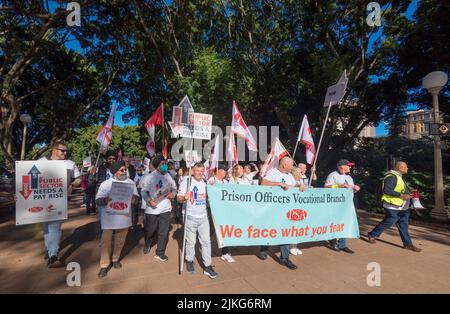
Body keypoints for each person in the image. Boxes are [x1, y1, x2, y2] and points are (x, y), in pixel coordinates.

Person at [40, 142, 81, 267]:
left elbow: (78, 179)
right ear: (54, 150)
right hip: (41, 200)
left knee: (54, 225)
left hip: (60, 199)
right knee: (46, 225)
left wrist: (71, 185)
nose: (65, 153)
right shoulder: (41, 162)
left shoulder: (70, 164)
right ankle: (49, 249)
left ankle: (53, 254)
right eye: (62, 151)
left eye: (66, 151)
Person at [95, 161, 138, 277]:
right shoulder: (105, 184)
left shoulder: (131, 183)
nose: (124, 172)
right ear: (115, 172)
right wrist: (105, 200)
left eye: (125, 170)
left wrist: (134, 200)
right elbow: (97, 200)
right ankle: (104, 265)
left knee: (120, 241)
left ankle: (115, 259)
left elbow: (136, 199)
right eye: (122, 170)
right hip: (108, 219)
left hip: (124, 218)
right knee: (105, 242)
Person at [367, 161, 422, 252]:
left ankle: (408, 244)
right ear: (400, 168)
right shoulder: (391, 177)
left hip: (402, 206)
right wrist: (401, 195)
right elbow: (387, 190)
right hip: (392, 206)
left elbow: (399, 189)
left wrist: (409, 192)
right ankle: (372, 234)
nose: (407, 168)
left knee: (403, 225)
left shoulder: (399, 177)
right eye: (406, 167)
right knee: (389, 221)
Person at [177, 162, 219, 279]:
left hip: (203, 216)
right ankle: (189, 260)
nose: (200, 173)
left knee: (206, 242)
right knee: (191, 242)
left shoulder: (206, 182)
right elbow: (179, 198)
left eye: (202, 171)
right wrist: (184, 198)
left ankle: (208, 266)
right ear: (193, 171)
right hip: (190, 216)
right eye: (197, 171)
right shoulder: (187, 181)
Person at [260, 156, 299, 270]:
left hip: (286, 210)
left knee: (285, 233)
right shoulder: (273, 172)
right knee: (269, 230)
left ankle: (284, 258)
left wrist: (299, 186)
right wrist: (278, 184)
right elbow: (263, 183)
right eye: (291, 164)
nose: (293, 167)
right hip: (273, 209)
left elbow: (293, 186)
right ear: (284, 165)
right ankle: (263, 248)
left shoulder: (290, 175)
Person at [140, 155, 177, 261]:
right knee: (151, 229)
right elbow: (143, 191)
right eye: (162, 164)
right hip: (152, 208)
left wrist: (173, 194)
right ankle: (148, 241)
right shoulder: (150, 177)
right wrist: (149, 201)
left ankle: (160, 252)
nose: (165, 166)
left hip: (165, 208)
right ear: (156, 166)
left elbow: (174, 188)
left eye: (165, 163)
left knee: (163, 231)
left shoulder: (168, 176)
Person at [324, 159, 360, 254]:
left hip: (347, 204)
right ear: (342, 167)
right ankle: (333, 241)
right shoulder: (333, 175)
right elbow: (326, 187)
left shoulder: (349, 177)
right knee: (336, 223)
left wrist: (355, 189)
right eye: (348, 165)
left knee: (344, 223)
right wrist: (340, 186)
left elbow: (350, 190)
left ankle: (342, 244)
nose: (350, 167)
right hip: (336, 204)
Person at [207, 163, 235, 263]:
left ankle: (225, 253)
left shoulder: (225, 181)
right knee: (210, 232)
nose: (225, 172)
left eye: (225, 171)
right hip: (212, 210)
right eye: (224, 170)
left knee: (225, 232)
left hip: (224, 211)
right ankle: (205, 251)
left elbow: (232, 190)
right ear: (218, 170)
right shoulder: (212, 180)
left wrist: (231, 178)